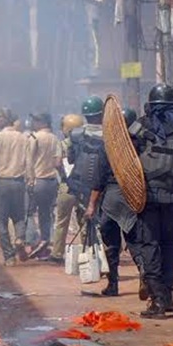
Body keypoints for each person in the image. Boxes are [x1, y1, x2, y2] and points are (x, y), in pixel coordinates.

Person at [125, 84, 173, 319]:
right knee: (169, 245)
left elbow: (126, 162)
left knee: (149, 245)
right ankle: (168, 296)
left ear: (151, 105)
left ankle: (157, 300)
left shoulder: (139, 128)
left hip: (147, 197)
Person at [84, 108, 139, 297]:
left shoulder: (108, 145)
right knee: (135, 241)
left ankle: (113, 284)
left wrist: (91, 205)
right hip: (134, 197)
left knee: (111, 244)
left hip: (111, 199)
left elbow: (98, 179)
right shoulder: (141, 144)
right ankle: (145, 279)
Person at [0, 107, 29, 266]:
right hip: (19, 182)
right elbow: (28, 162)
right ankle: (20, 238)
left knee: (1, 221)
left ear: (5, 119)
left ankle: (9, 256)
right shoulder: (24, 137)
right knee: (18, 217)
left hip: (2, 183)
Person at [66, 96, 106, 248]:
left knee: (83, 217)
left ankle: (88, 249)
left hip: (81, 184)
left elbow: (70, 159)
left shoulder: (76, 135)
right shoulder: (110, 134)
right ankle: (104, 250)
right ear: (101, 114)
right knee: (103, 218)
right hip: (104, 186)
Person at [49, 114, 85, 263]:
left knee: (61, 221)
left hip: (66, 187)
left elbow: (57, 163)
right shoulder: (86, 143)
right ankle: (86, 252)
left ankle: (57, 253)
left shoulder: (63, 144)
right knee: (84, 221)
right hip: (83, 188)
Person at [26, 112, 62, 259]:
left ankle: (33, 241)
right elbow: (58, 162)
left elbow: (29, 161)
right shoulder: (55, 139)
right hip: (51, 181)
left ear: (42, 122)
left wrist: (30, 180)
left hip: (37, 180)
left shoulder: (34, 138)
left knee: (28, 212)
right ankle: (46, 239)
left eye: (35, 120)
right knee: (46, 213)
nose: (33, 123)